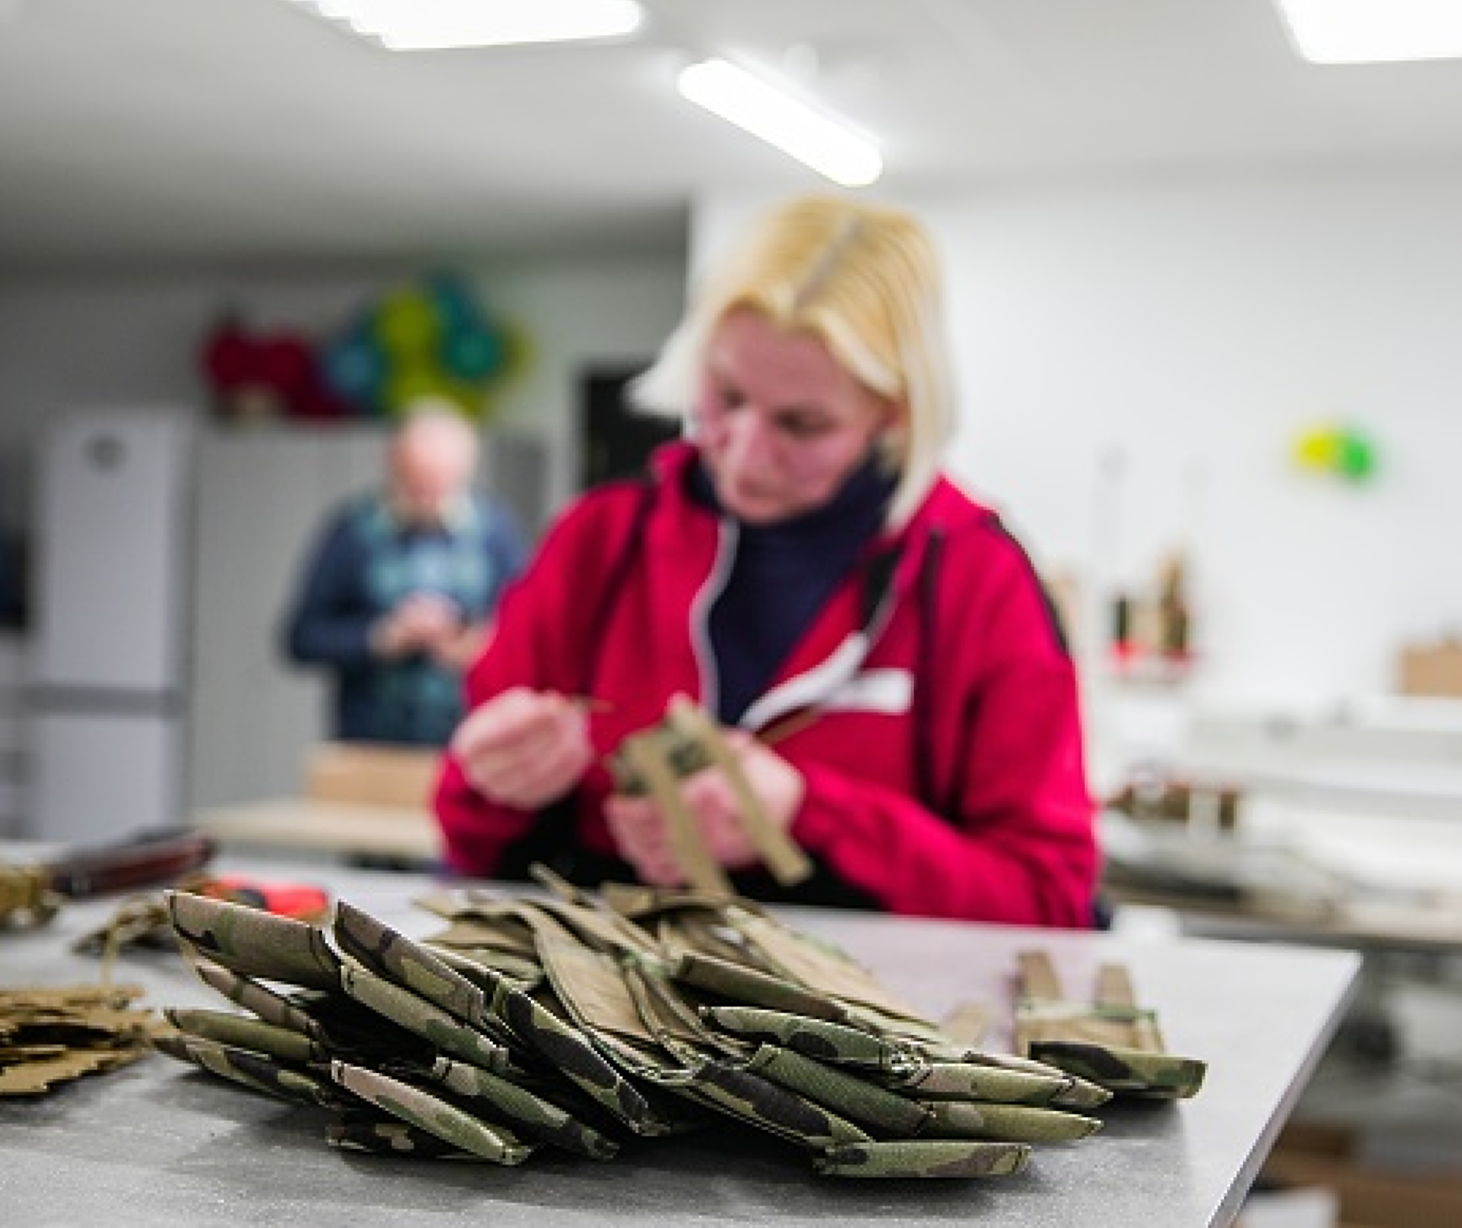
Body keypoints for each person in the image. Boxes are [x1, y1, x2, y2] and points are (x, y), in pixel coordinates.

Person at [434, 194, 1098, 927]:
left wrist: (808, 815)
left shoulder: (978, 580)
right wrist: (489, 783)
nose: (745, 455)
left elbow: (1048, 899)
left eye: (802, 424)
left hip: (869, 1025)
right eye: (726, 396)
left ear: (896, 412)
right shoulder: (600, 542)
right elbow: (471, 846)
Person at [281, 401, 528, 746]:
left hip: (471, 747)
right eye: (415, 482)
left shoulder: (494, 532)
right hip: (370, 748)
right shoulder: (353, 531)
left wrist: (476, 646)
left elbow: (529, 636)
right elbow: (300, 639)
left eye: (439, 482)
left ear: (464, 471)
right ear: (392, 464)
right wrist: (378, 639)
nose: (427, 495)